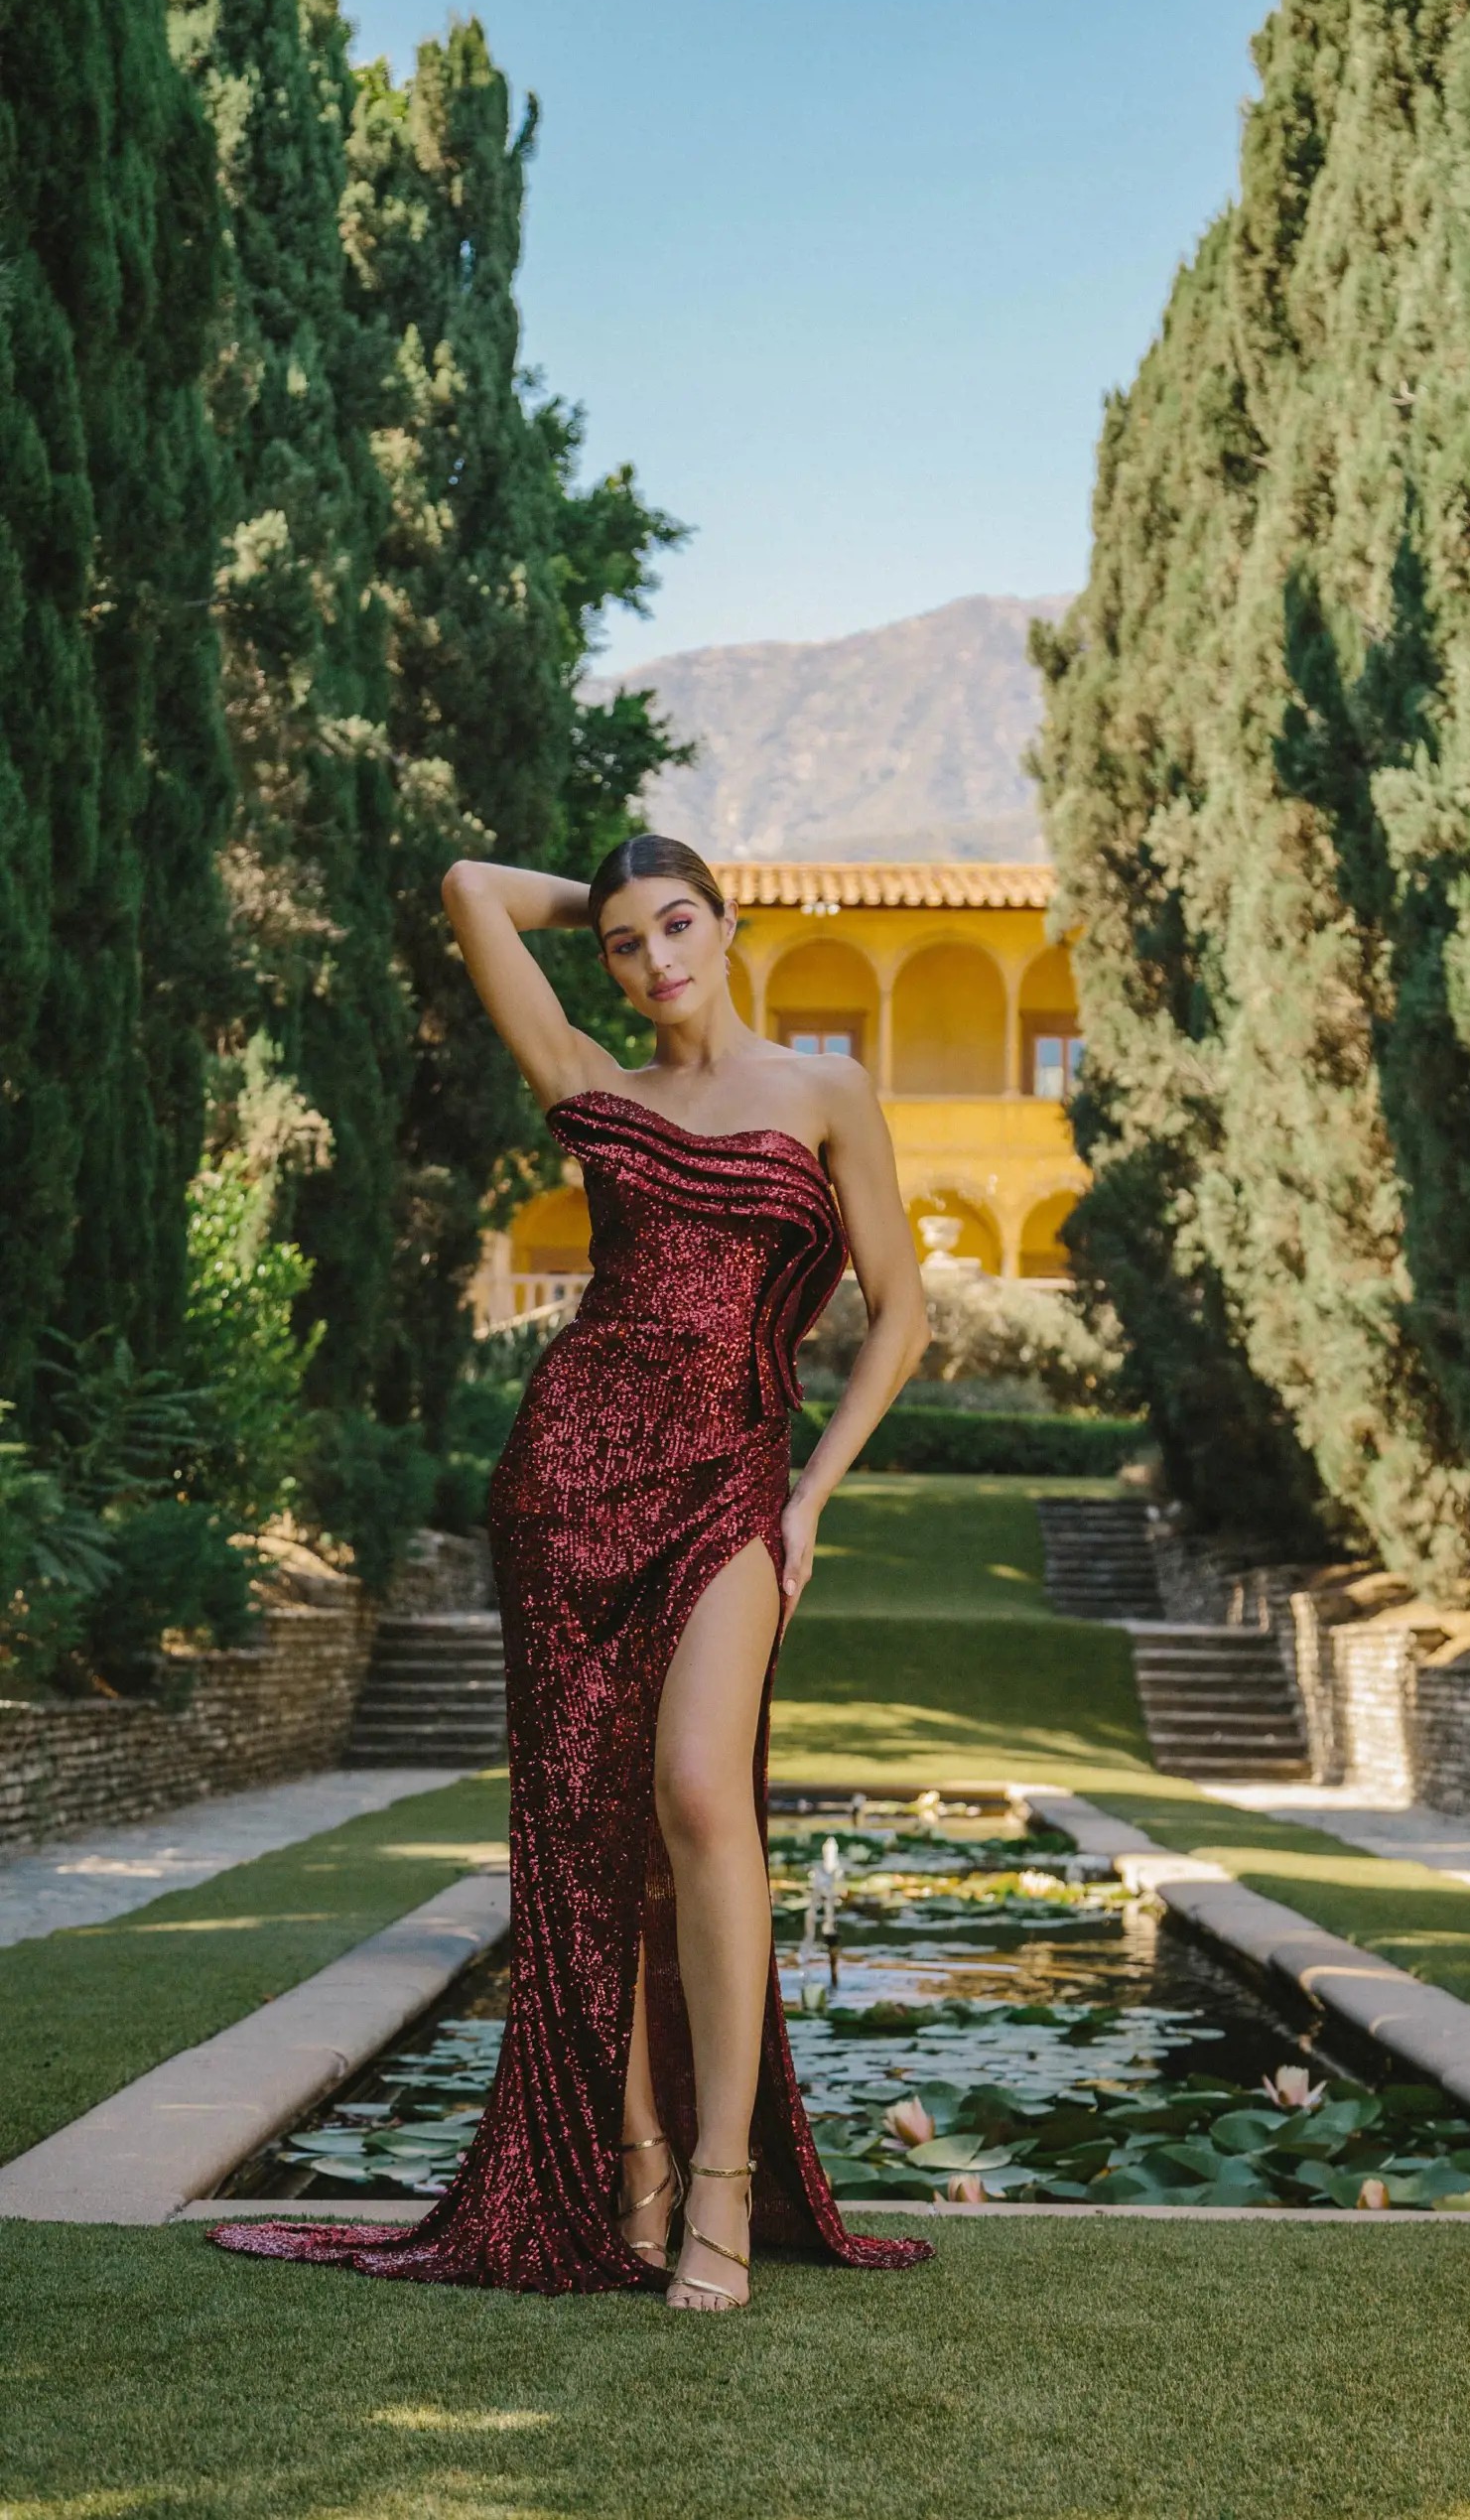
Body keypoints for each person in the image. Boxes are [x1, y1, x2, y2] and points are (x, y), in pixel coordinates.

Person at [208, 833, 935, 2308]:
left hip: (732, 1478)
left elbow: (901, 1312)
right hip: (567, 1480)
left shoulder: (822, 1092)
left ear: (726, 925)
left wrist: (809, 1494)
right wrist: (593, 890)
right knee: (592, 1846)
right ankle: (637, 2162)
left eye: (678, 925)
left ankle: (722, 2190)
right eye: (623, 944)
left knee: (692, 1794)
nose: (657, 960)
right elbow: (471, 889)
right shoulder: (598, 1090)